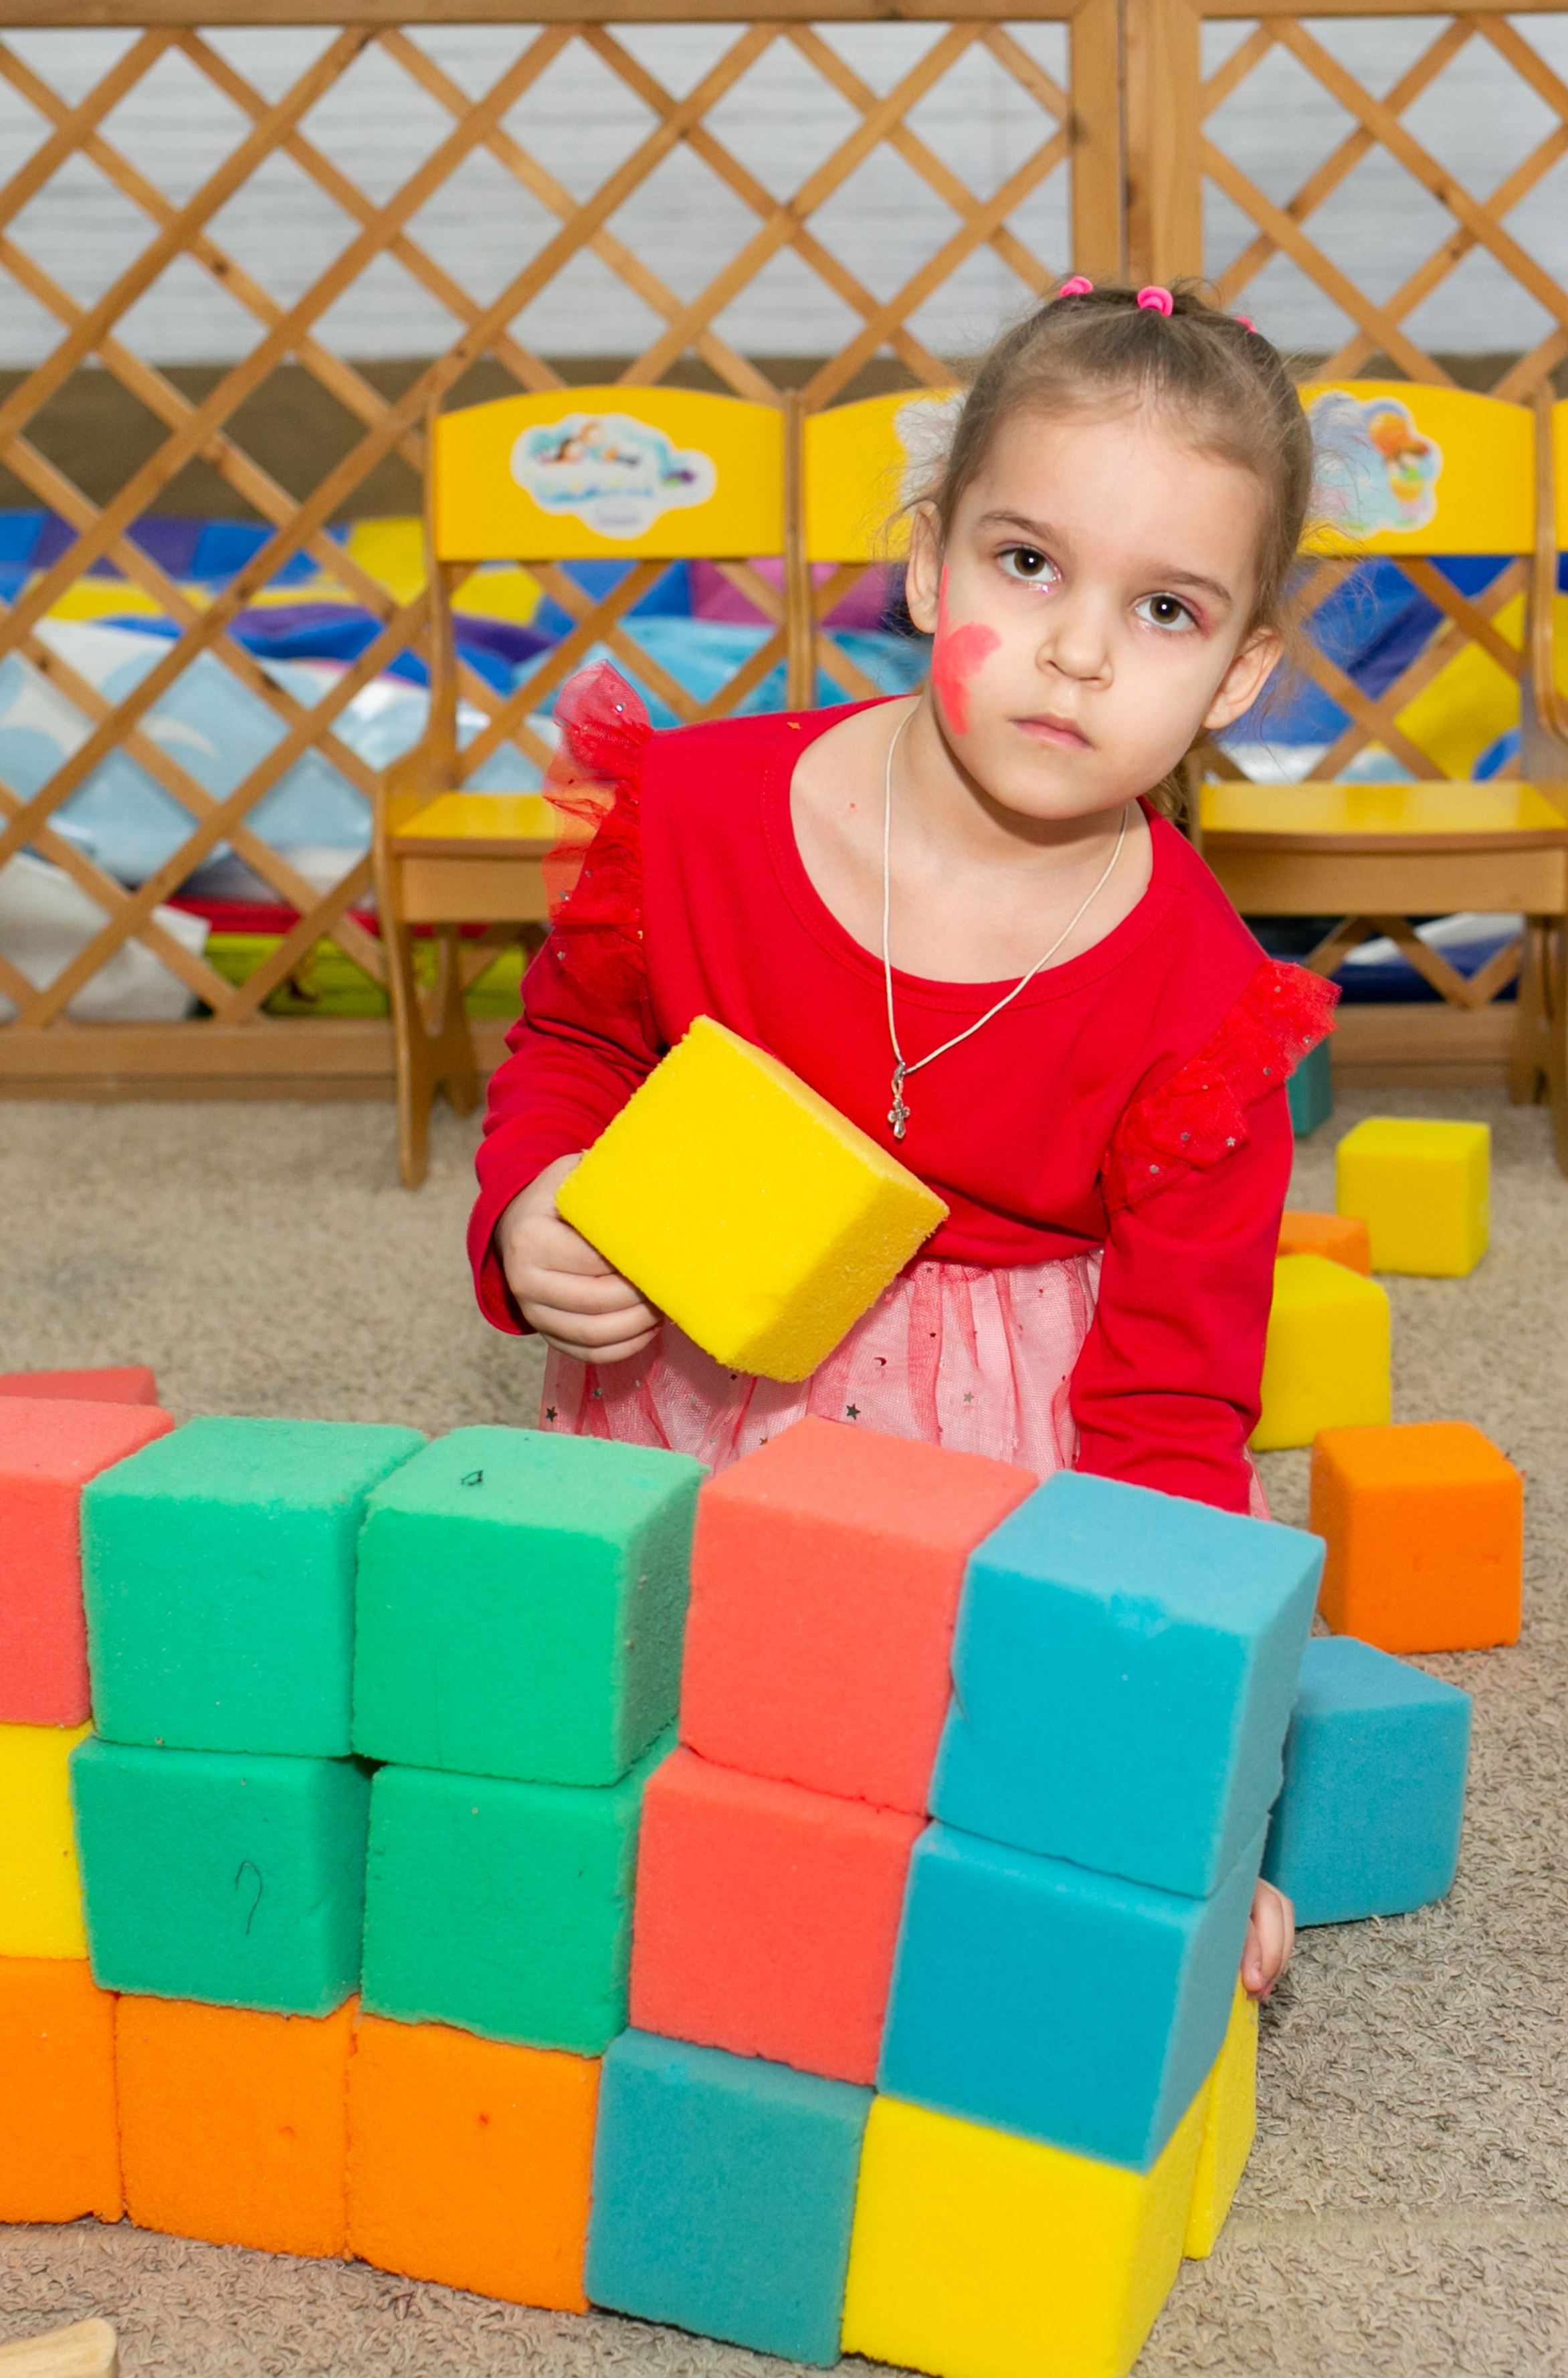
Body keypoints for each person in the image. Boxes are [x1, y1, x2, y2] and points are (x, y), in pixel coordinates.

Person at [470, 278, 1335, 1999]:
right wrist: (532, 1206)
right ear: (929, 567)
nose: (1076, 650)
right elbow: (572, 1042)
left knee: (947, 1822)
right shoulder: (702, 816)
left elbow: (1171, 1416)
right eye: (1028, 568)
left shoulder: (1205, 1015)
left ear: (1238, 672)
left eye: (1160, 608)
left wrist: (1180, 1809)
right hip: (696, 1385)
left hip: (990, 1452)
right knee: (610, 1789)